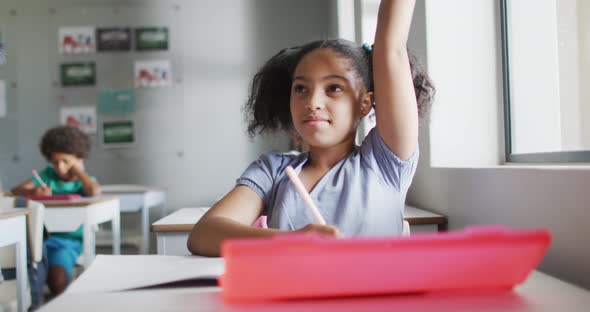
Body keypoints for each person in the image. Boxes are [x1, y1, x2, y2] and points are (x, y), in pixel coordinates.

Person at [188, 0, 434, 257]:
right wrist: (290, 241)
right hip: (294, 295)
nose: (313, 103)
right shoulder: (273, 171)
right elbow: (204, 234)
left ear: (365, 103)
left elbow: (391, 48)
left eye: (334, 88)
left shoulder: (385, 162)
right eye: (301, 89)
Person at [11, 125, 101, 295]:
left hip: (69, 242)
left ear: (79, 158)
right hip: (41, 240)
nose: (59, 167)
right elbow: (15, 191)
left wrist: (79, 171)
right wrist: (33, 192)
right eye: (55, 162)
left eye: (66, 162)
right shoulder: (48, 176)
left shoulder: (84, 181)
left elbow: (94, 190)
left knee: (56, 279)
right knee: (27, 274)